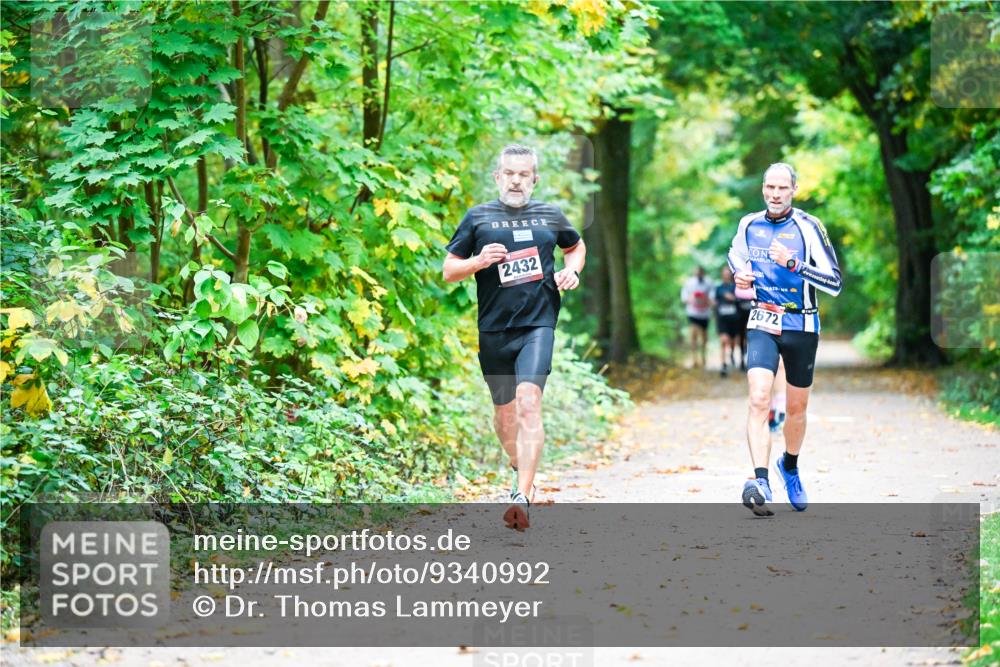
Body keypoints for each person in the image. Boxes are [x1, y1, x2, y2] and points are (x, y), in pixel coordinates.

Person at [442, 144, 586, 531]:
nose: (517, 180)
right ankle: (522, 467)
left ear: (535, 178)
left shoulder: (550, 216)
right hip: (493, 331)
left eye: (524, 174)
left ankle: (521, 497)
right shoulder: (478, 218)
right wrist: (478, 261)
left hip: (538, 326)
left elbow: (575, 246)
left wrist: (572, 271)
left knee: (528, 403)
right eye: (510, 173)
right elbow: (449, 270)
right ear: (498, 177)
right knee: (505, 417)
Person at [727, 162, 842, 516]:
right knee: (759, 398)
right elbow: (735, 256)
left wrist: (794, 265)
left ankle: (789, 466)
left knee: (796, 410)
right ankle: (761, 480)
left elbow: (834, 283)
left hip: (802, 325)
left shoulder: (808, 227)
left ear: (793, 190)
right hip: (763, 319)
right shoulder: (749, 223)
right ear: (762, 188)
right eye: (769, 187)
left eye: (782, 188)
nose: (775, 194)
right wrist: (741, 275)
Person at [680, 266, 713, 369]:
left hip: (704, 313)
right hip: (692, 313)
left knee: (704, 336)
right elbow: (684, 297)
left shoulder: (709, 282)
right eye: (696, 272)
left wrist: (707, 300)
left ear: (703, 273)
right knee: (693, 334)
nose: (698, 274)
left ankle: (703, 356)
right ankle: (694, 359)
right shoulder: (689, 282)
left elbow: (712, 297)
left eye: (700, 273)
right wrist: (691, 299)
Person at [714, 266, 742, 377]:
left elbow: (741, 300)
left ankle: (731, 353)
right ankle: (723, 365)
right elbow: (715, 302)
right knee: (723, 341)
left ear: (730, 274)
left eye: (727, 273)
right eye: (724, 273)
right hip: (722, 319)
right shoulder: (718, 288)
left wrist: (733, 298)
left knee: (733, 342)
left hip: (734, 318)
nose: (726, 275)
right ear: (722, 275)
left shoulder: (736, 287)